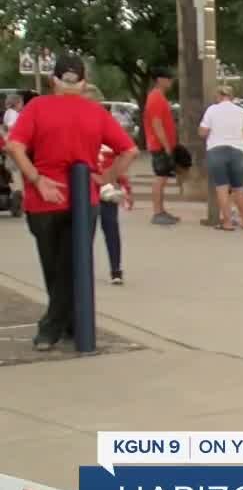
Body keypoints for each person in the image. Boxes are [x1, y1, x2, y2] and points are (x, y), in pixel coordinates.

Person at [4, 54, 139, 350]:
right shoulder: (96, 113)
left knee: (55, 268)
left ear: (53, 80)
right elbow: (129, 150)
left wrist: (37, 179)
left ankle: (51, 328)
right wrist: (105, 177)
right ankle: (69, 324)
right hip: (83, 199)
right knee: (70, 267)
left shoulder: (37, 107)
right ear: (83, 82)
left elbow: (14, 146)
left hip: (43, 200)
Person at [86, 83, 130, 286]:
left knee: (110, 225)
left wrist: (114, 178)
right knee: (86, 230)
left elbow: (125, 151)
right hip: (85, 185)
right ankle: (83, 269)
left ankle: (116, 268)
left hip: (106, 183)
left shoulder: (107, 124)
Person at [199, 85, 243, 231]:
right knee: (239, 188)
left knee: (222, 188)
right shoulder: (242, 112)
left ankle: (227, 222)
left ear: (219, 96)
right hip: (237, 151)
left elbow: (203, 132)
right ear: (231, 96)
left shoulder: (212, 110)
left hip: (216, 150)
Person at [143, 67, 179, 225]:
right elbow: (157, 124)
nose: (171, 81)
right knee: (160, 178)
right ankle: (157, 212)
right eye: (168, 78)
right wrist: (166, 146)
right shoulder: (156, 98)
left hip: (162, 144)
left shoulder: (160, 97)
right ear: (160, 80)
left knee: (163, 178)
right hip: (159, 145)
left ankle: (161, 211)